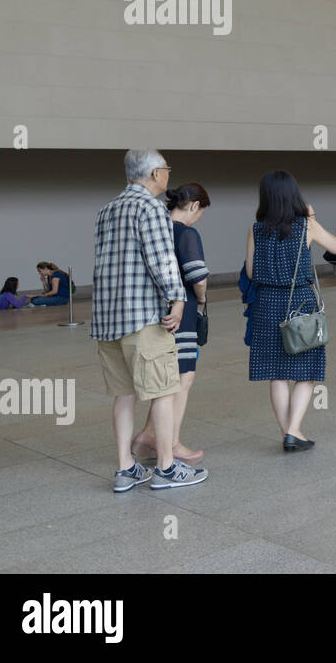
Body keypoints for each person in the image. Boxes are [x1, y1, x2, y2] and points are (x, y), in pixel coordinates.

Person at [91, 149, 205, 492]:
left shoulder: (106, 210)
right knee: (164, 391)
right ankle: (167, 469)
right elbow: (161, 259)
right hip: (143, 318)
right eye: (166, 169)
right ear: (155, 173)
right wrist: (177, 297)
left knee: (123, 396)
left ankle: (126, 469)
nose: (169, 174)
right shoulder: (151, 207)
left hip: (108, 320)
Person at [244, 170, 336, 452]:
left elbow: (251, 272)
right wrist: (313, 220)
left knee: (276, 373)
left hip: (265, 304)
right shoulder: (305, 226)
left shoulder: (256, 228)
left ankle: (288, 432)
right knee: (305, 371)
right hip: (300, 302)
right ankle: (294, 430)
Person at [132, 183, 211, 467]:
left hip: (153, 312)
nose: (198, 217)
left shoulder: (153, 229)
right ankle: (172, 443)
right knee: (181, 379)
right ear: (193, 206)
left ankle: (148, 436)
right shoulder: (186, 233)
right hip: (182, 312)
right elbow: (197, 277)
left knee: (166, 379)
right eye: (200, 211)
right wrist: (201, 299)